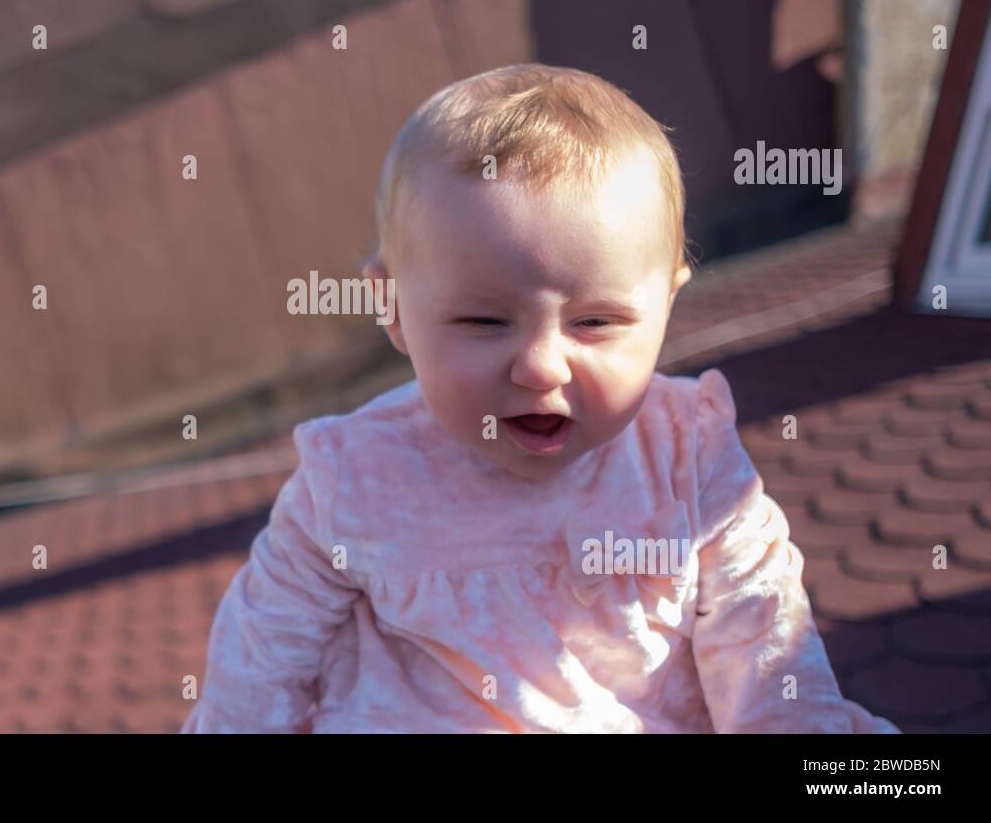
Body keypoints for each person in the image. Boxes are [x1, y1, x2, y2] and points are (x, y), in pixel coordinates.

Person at [181, 64, 900, 733]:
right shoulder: (356, 477)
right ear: (392, 307)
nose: (540, 366)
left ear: (666, 307)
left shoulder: (689, 456)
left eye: (596, 322)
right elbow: (261, 653)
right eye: (483, 321)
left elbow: (766, 645)